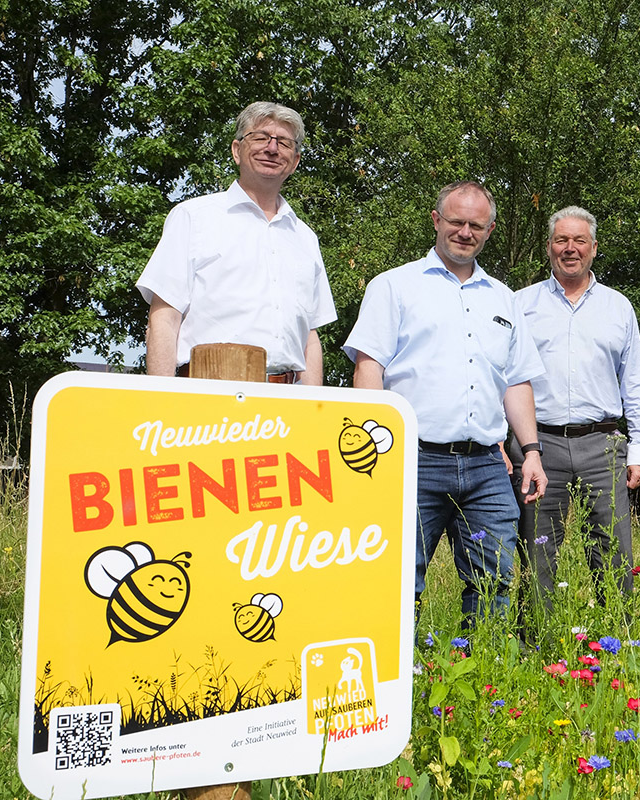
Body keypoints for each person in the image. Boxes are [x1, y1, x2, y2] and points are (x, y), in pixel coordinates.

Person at [344, 181, 548, 628]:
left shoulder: (503, 298)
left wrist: (531, 451)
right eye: (456, 221)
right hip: (412, 459)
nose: (465, 232)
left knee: (494, 578)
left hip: (488, 468)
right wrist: (370, 449)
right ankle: (399, 685)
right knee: (398, 579)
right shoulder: (394, 286)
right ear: (436, 220)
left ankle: (487, 681)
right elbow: (369, 368)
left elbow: (515, 381)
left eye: (476, 225)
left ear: (489, 230)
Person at [509, 206, 640, 617]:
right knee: (537, 549)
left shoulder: (617, 307)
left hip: (601, 444)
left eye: (579, 241)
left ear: (593, 248)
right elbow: (501, 377)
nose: (569, 249)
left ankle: (617, 640)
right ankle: (537, 641)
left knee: (612, 549)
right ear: (549, 247)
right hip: (537, 445)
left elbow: (636, 382)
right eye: (561, 240)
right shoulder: (520, 304)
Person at [137, 102, 336, 383]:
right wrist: (163, 400)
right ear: (236, 150)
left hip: (287, 403)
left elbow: (309, 337)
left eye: (284, 142)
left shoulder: (304, 238)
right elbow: (164, 317)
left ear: (295, 162)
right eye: (260, 137)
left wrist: (313, 409)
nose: (271, 148)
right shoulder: (193, 217)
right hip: (208, 394)